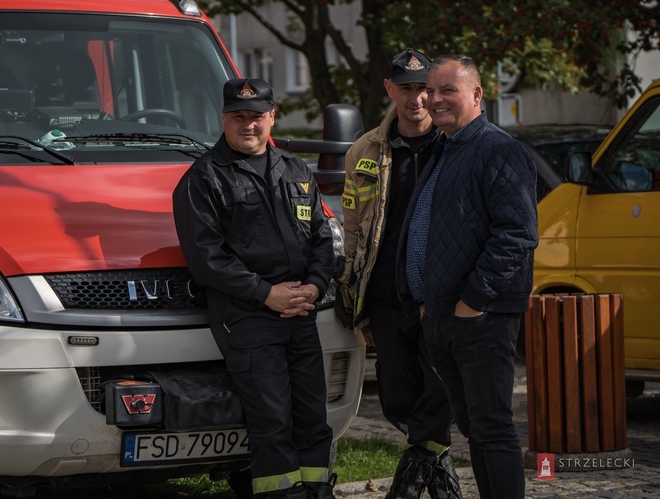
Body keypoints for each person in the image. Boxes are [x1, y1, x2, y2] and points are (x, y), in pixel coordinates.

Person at [172, 78, 337, 499]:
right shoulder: (204, 179)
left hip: (301, 311)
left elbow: (321, 235)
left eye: (257, 117)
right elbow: (208, 259)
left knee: (313, 417)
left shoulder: (295, 168)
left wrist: (316, 286)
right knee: (273, 421)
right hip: (247, 317)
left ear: (272, 118)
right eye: (239, 117)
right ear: (224, 119)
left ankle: (318, 492)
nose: (249, 125)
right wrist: (267, 293)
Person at [397, 54, 538, 499]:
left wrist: (472, 302)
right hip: (442, 315)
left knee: (492, 427)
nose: (433, 99)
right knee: (472, 426)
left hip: (482, 315)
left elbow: (516, 235)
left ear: (477, 94)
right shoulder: (444, 147)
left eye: (446, 90)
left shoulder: (499, 149)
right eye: (429, 90)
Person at [337, 49, 461, 499]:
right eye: (405, 88)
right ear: (389, 89)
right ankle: (436, 463)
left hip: (438, 296)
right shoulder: (364, 150)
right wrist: (357, 303)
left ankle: (410, 481)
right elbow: (353, 230)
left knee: (441, 386)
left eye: (424, 89)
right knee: (397, 398)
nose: (416, 99)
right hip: (385, 296)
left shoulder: (454, 145)